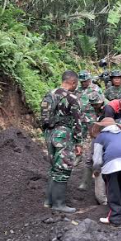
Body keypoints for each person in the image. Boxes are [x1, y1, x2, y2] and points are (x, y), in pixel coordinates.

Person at [40, 70, 84, 214]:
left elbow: (44, 118)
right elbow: (77, 122)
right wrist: (79, 142)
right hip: (64, 135)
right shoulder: (72, 98)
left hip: (49, 134)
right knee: (63, 168)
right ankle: (59, 204)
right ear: (73, 82)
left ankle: (48, 201)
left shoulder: (49, 94)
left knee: (54, 167)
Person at [91, 118, 121, 227]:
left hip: (114, 160)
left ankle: (114, 218)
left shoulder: (100, 137)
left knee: (112, 188)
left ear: (102, 127)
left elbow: (97, 159)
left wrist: (97, 170)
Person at [75, 70, 105, 191]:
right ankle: (78, 155)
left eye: (85, 81)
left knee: (92, 144)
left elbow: (101, 104)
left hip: (92, 119)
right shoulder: (77, 90)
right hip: (79, 119)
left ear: (89, 79)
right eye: (82, 81)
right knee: (78, 139)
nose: (84, 83)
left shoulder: (96, 89)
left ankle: (88, 175)